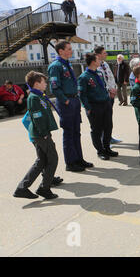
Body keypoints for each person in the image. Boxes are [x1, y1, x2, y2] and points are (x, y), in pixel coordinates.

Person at [13, 72, 59, 200]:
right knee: (52, 159)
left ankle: (22, 188)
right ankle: (44, 188)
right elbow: (37, 116)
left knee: (41, 161)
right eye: (44, 82)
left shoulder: (39, 95)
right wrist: (44, 133)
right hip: (41, 135)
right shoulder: (34, 97)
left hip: (41, 134)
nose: (46, 84)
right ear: (37, 83)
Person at [48, 41, 92, 172]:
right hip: (66, 102)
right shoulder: (55, 66)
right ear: (61, 51)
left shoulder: (68, 64)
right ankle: (70, 162)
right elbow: (54, 87)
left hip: (74, 100)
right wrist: (65, 100)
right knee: (68, 133)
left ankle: (79, 159)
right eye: (68, 49)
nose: (71, 51)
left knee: (76, 132)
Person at [78, 53, 118, 161]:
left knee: (108, 127)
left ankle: (107, 148)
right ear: (92, 62)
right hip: (94, 106)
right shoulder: (84, 77)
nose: (100, 60)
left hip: (105, 103)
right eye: (97, 59)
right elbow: (82, 95)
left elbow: (103, 87)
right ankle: (100, 151)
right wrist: (88, 108)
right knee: (97, 130)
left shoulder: (99, 73)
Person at [95, 46, 121, 145]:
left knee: (108, 118)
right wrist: (109, 90)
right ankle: (104, 139)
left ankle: (109, 136)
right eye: (104, 53)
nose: (106, 54)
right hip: (104, 95)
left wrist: (114, 89)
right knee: (102, 119)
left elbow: (110, 77)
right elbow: (100, 82)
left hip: (111, 94)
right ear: (98, 54)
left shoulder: (105, 64)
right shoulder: (95, 66)